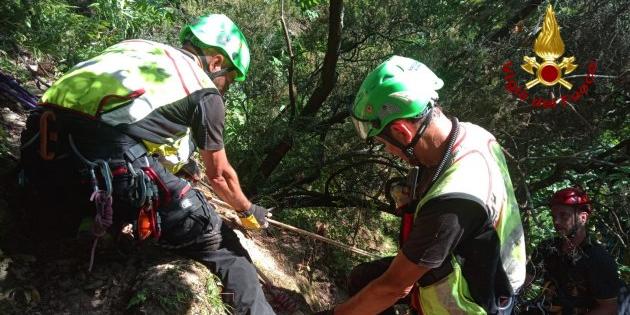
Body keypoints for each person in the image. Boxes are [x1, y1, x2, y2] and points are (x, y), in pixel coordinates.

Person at [19, 14, 275, 314]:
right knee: (225, 247)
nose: (225, 88)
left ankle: (82, 223)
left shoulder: (137, 48)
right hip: (109, 166)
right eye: (229, 79)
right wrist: (248, 211)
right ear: (216, 62)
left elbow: (129, 120)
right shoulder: (205, 92)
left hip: (41, 148)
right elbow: (219, 176)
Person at [320, 56, 527, 314]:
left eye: (384, 142)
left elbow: (393, 287)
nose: (388, 150)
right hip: (488, 274)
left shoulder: (453, 200)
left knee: (377, 287)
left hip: (470, 304)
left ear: (402, 131)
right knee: (363, 279)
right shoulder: (474, 135)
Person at [527, 187, 621, 314]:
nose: (556, 221)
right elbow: (524, 281)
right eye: (554, 216)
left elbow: (609, 307)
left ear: (583, 218)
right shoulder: (546, 248)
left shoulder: (597, 258)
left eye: (563, 215)